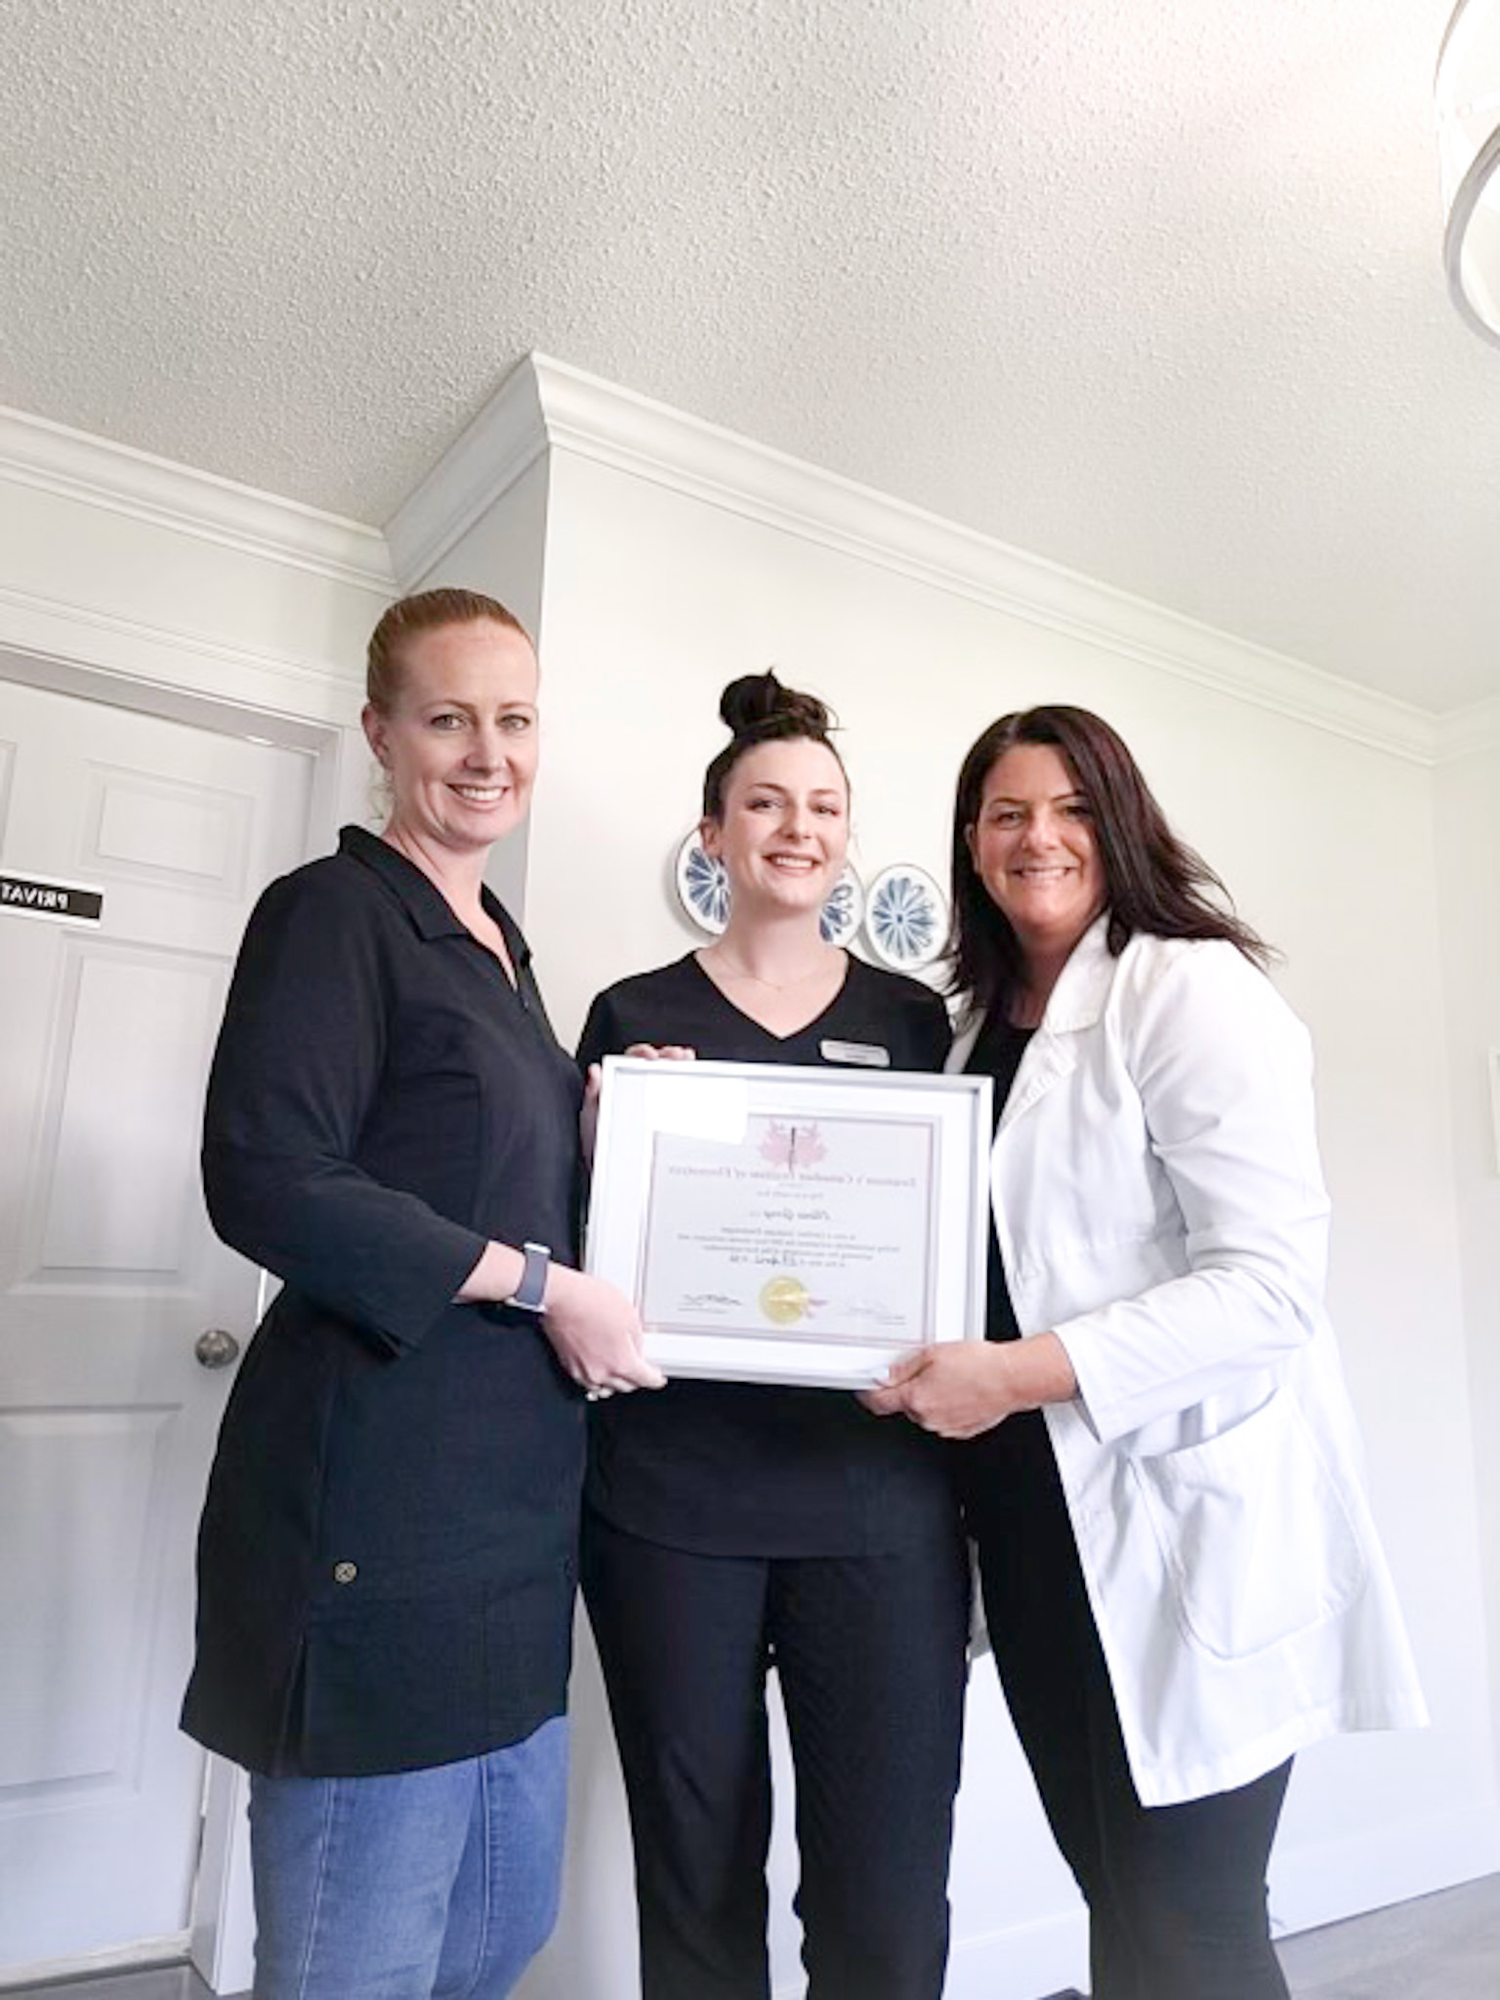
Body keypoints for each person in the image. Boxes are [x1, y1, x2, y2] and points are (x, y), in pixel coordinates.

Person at [866, 704, 1427, 2000]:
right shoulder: (974, 1032)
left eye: (1071, 809)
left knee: (1192, 1928)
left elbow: (1269, 1289)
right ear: (972, 842)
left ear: (1119, 825)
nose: (1039, 837)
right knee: (1116, 1903)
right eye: (1008, 813)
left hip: (1185, 1528)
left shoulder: (1188, 989)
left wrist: (1011, 1374)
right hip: (1034, 1538)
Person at [181, 587, 663, 2000]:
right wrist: (540, 1284)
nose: (487, 753)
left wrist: (611, 1128)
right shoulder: (333, 913)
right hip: (379, 1521)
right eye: (449, 718)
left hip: (511, 1529)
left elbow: (474, 1170)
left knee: (492, 1941)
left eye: (514, 720)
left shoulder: (503, 945)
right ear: (381, 733)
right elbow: (269, 1177)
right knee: (360, 1966)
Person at [576, 673, 970, 2000]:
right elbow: (580, 1250)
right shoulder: (632, 1016)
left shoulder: (916, 1023)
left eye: (823, 807)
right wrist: (610, 1144)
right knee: (695, 1872)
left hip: (879, 1503)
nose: (797, 828)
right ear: (714, 834)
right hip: (672, 1500)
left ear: (847, 837)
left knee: (887, 1888)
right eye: (764, 804)